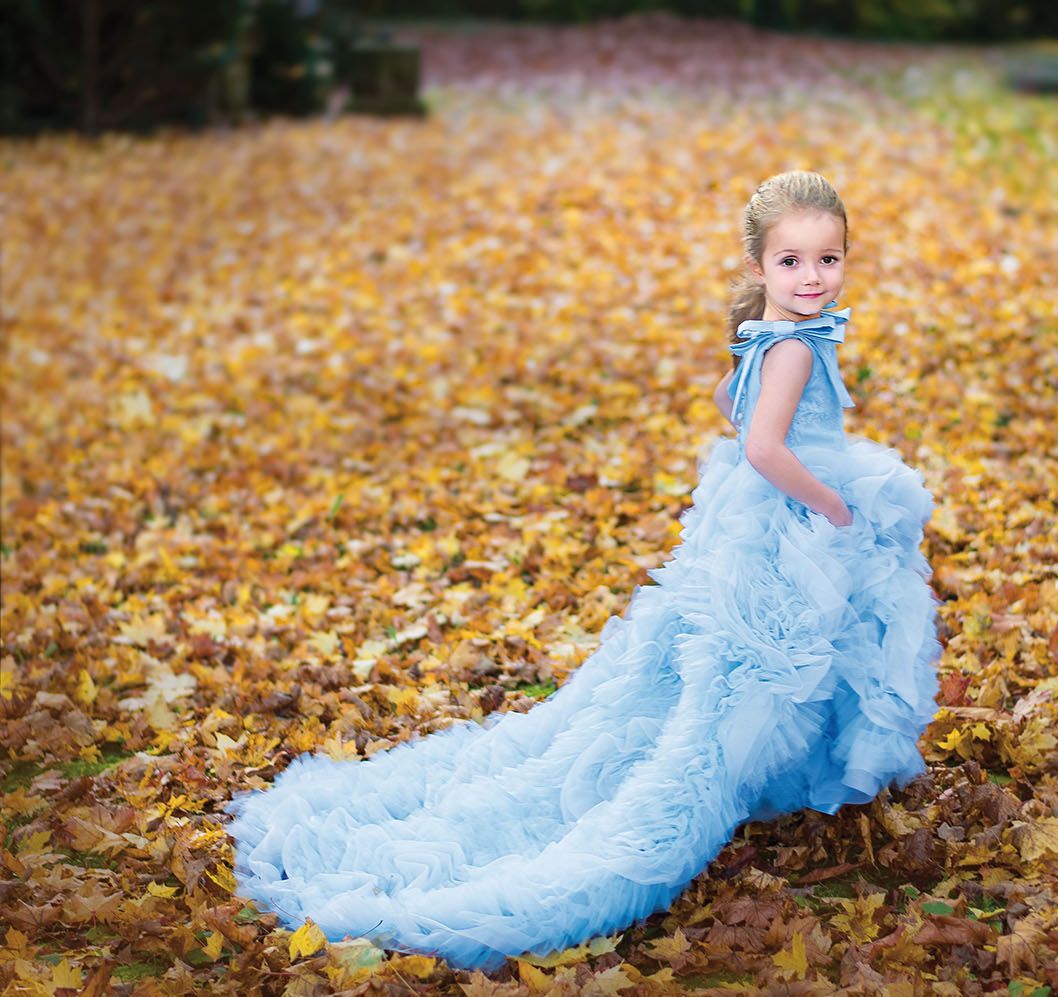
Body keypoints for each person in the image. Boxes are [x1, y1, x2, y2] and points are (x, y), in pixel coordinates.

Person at [223, 170, 941, 973]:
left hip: (758, 518)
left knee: (718, 667)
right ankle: (702, 795)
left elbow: (724, 398)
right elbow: (763, 445)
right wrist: (831, 506)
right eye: (792, 263)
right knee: (746, 675)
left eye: (828, 260)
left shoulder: (772, 338)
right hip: (788, 519)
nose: (812, 278)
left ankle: (772, 772)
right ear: (757, 268)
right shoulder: (793, 352)